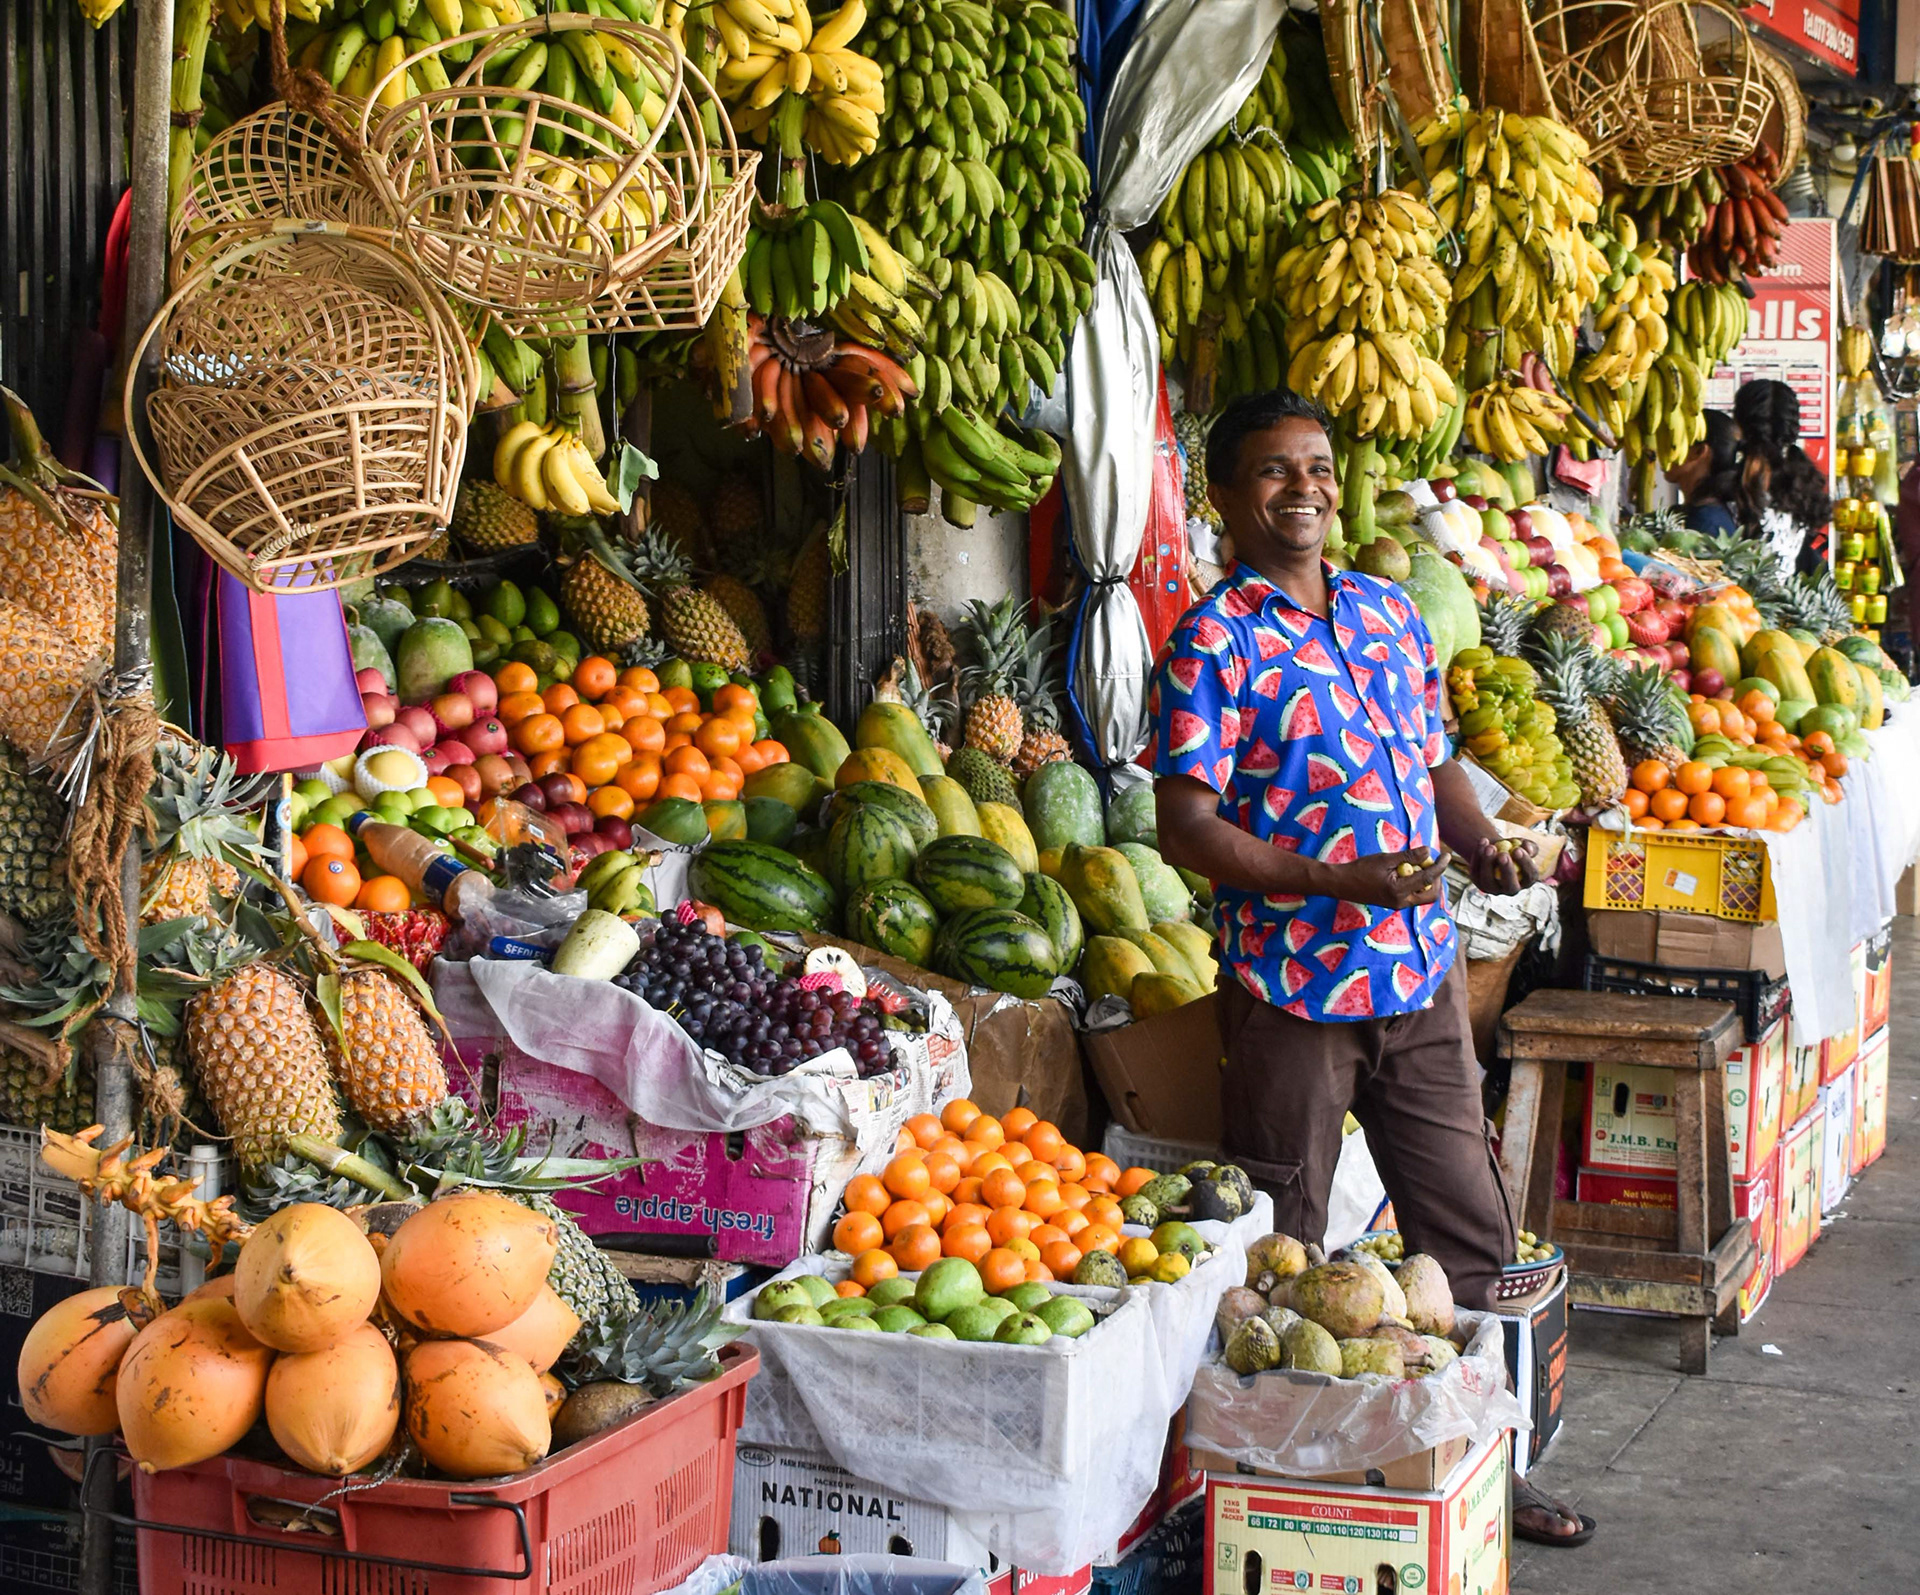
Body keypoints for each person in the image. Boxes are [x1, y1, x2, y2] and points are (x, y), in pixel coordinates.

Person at [1149, 388, 1594, 1548]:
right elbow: (1185, 826)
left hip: (1417, 971)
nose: (1305, 486)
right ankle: (1288, 1496)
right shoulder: (1213, 639)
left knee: (1473, 1234)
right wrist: (1330, 880)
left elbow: (1435, 763)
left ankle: (1489, 1456)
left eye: (1318, 464)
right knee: (1283, 1248)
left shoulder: (1390, 612)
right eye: (1275, 470)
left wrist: (1484, 844)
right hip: (1292, 985)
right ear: (1229, 493)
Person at [1714, 380, 1833, 572]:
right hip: (1786, 600)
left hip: (1733, 599)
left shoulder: (1722, 484)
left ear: (1737, 424)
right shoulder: (1802, 484)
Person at [1668, 409, 1740, 538]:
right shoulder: (1699, 513)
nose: (1660, 452)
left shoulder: (1706, 525)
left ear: (1699, 452)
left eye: (1673, 443)